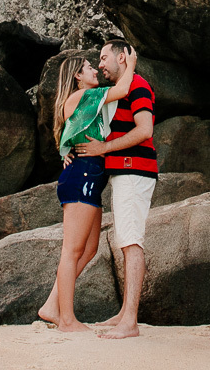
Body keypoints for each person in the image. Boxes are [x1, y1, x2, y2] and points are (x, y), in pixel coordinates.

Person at [37, 45, 138, 332]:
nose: (96, 70)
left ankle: (51, 305)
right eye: (90, 67)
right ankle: (66, 320)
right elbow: (123, 89)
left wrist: (63, 151)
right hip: (82, 178)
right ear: (78, 77)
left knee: (90, 248)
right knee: (72, 250)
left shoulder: (83, 99)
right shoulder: (83, 95)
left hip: (89, 179)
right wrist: (130, 63)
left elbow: (70, 134)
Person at [74, 38, 156, 339]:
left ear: (122, 58)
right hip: (125, 172)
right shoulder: (119, 90)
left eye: (104, 56)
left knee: (131, 242)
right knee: (126, 240)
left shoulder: (138, 86)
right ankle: (124, 313)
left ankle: (130, 321)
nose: (100, 63)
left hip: (135, 170)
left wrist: (104, 149)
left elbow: (145, 129)